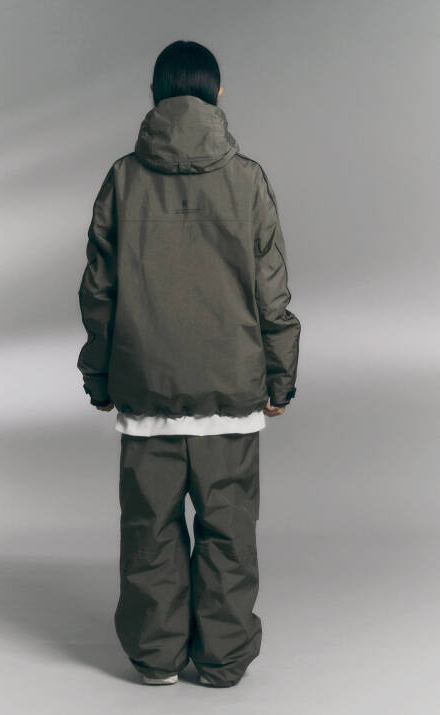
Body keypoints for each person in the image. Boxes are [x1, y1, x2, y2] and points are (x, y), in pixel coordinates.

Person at [77, 39, 301, 688]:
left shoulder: (123, 178)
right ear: (217, 94)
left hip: (145, 385)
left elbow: (99, 292)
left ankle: (155, 656)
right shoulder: (247, 179)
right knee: (229, 531)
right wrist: (280, 378)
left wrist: (100, 377)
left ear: (155, 95)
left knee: (149, 529)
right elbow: (271, 294)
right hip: (231, 388)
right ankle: (223, 659)